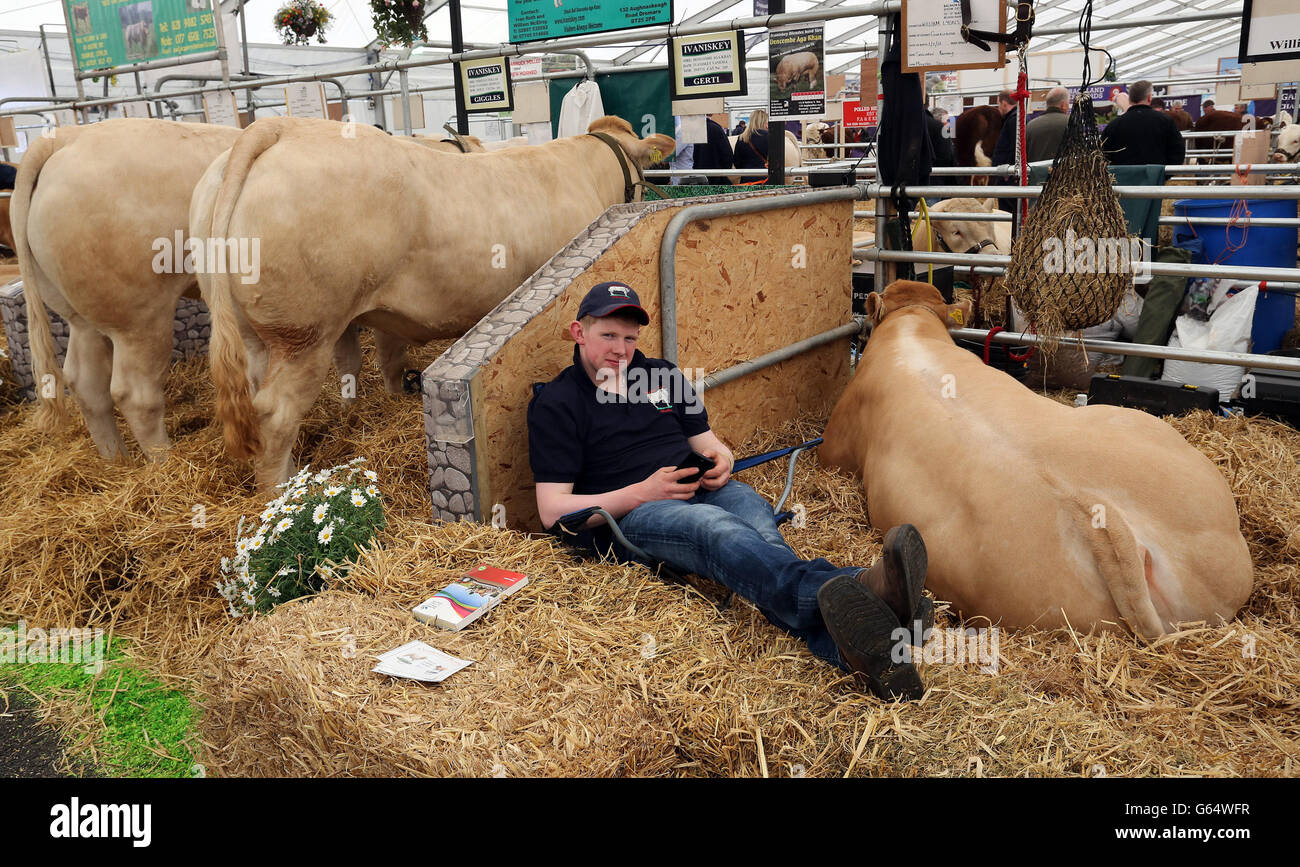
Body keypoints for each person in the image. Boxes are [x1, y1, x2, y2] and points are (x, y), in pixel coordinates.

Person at [527, 282, 932, 700]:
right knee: (716, 530)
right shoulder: (559, 403)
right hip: (633, 516)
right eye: (608, 336)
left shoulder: (661, 375)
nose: (621, 349)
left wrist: (722, 461)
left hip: (696, 486)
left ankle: (849, 650)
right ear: (579, 332)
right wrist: (641, 493)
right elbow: (552, 510)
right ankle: (866, 586)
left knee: (761, 534)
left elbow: (707, 442)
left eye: (629, 338)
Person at [1100, 79, 1185, 166]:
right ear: (1149, 98)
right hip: (1154, 177)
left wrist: (1117, 173)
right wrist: (1163, 173)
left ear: (1129, 100)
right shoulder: (1165, 121)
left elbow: (1103, 153)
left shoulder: (1114, 125)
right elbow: (1178, 151)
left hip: (1123, 177)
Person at [991, 90, 1020, 215]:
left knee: (1007, 211)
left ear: (1003, 103)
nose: (998, 108)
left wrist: (1009, 170)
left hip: (1007, 175)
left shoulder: (1013, 120)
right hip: (1006, 173)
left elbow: (1015, 147)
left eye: (998, 104)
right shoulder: (1014, 118)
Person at [1025, 86, 1070, 163]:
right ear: (1063, 105)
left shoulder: (1030, 126)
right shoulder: (1071, 123)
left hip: (1035, 173)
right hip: (1063, 173)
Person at [690, 116, 735, 186]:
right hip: (716, 176)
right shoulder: (716, 128)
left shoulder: (690, 129)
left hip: (695, 177)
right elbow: (727, 155)